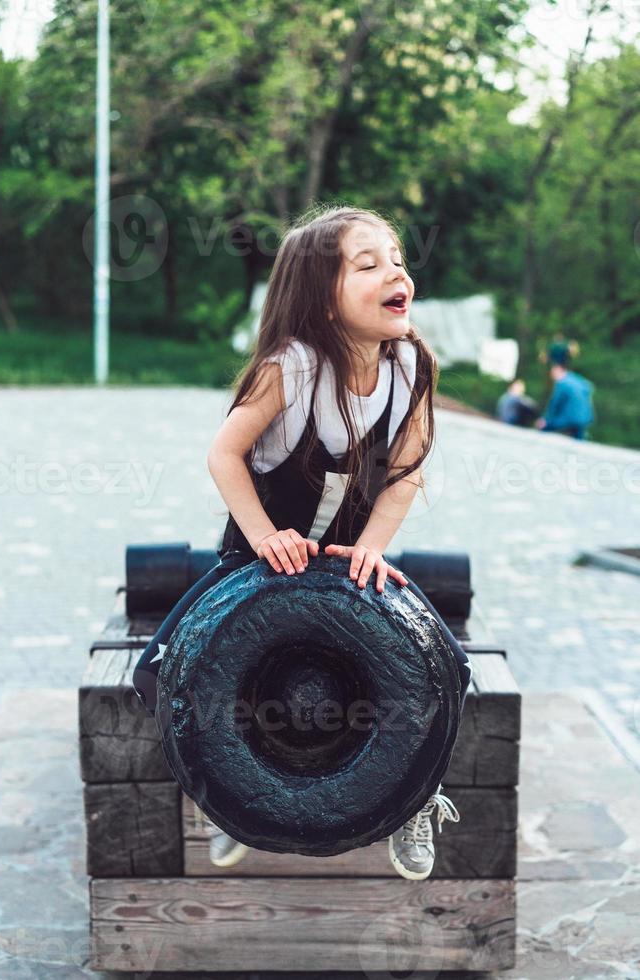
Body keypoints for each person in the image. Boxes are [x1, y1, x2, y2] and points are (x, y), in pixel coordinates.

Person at [132, 204, 473, 881]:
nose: (394, 272)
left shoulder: (410, 369)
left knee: (452, 672)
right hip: (255, 560)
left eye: (397, 260)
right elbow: (225, 455)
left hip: (350, 563)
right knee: (158, 670)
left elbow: (404, 476)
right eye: (368, 264)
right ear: (321, 302)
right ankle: (226, 798)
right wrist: (262, 537)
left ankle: (414, 798)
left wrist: (374, 548)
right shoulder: (289, 370)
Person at [535, 345, 595, 440]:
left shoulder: (562, 382)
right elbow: (589, 386)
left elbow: (555, 403)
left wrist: (546, 419)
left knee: (545, 427)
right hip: (586, 417)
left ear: (558, 370)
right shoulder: (577, 380)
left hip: (570, 418)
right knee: (578, 437)